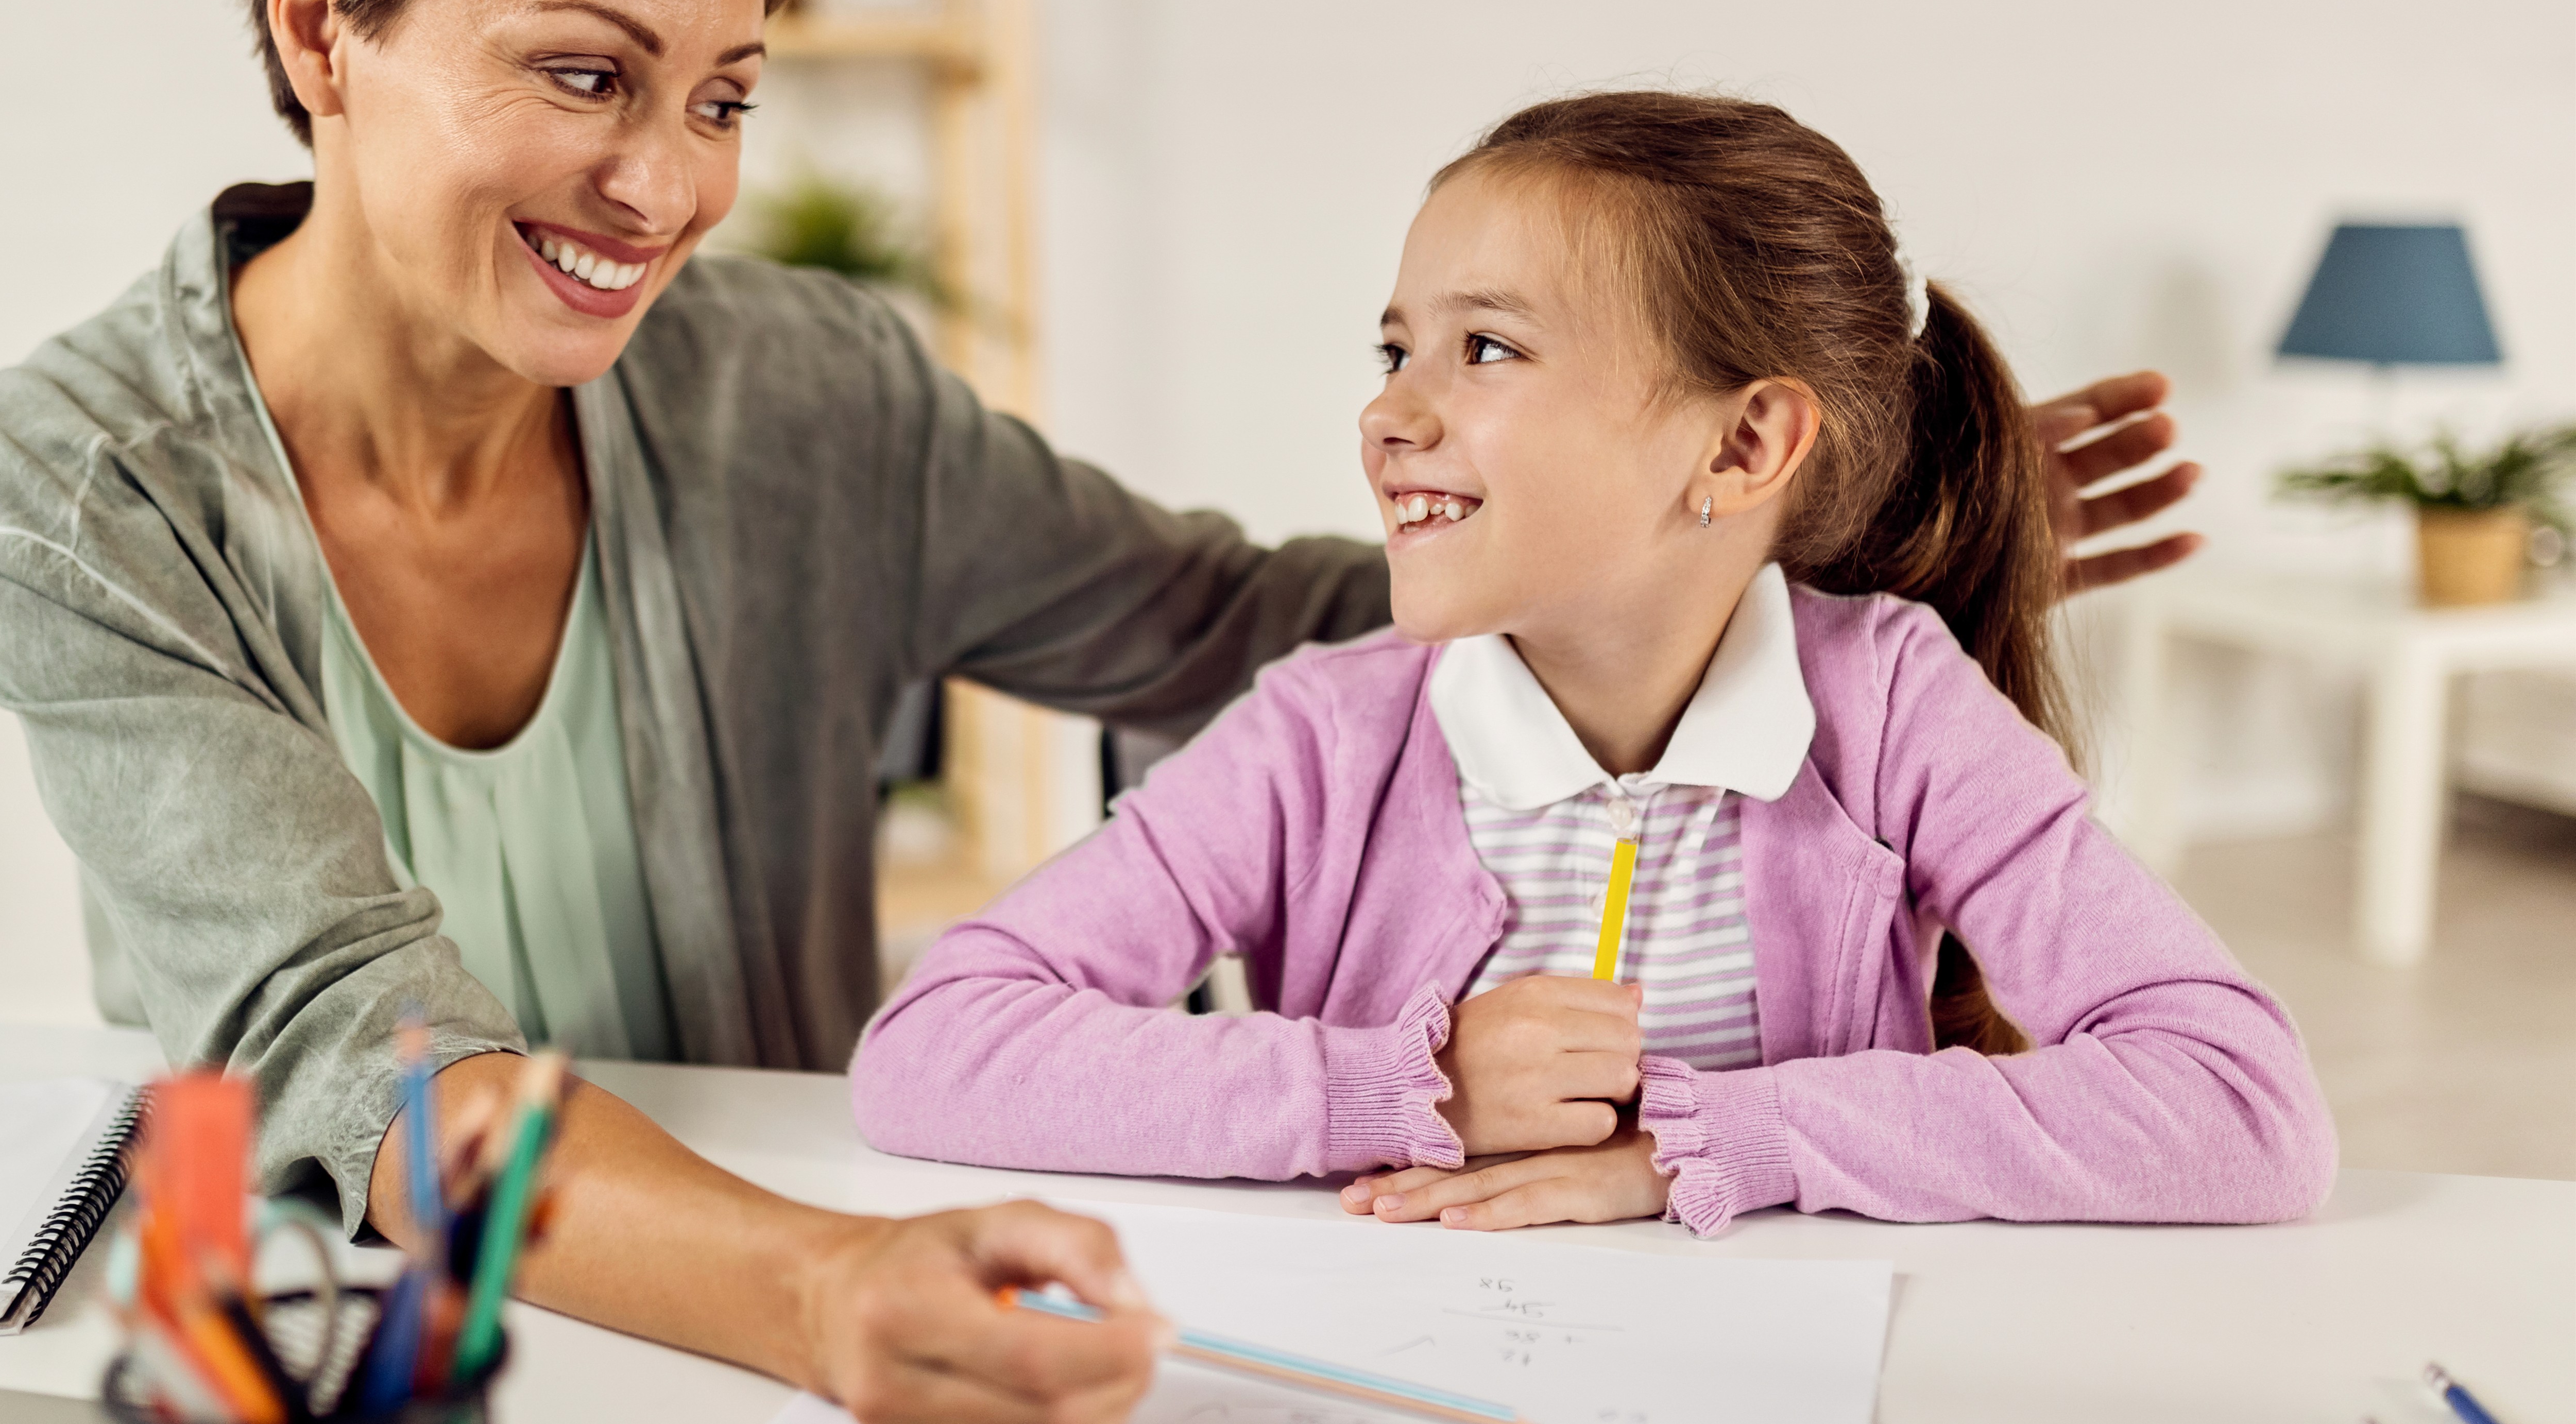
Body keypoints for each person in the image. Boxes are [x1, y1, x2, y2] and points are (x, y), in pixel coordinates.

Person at [0, 0, 2206, 1424]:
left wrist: (1772, 540)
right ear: (327, 37)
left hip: (800, 1265)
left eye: (724, 95)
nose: (667, 182)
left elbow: (1223, 624)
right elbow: (356, 1058)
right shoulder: (65, 490)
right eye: (587, 75)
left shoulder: (803, 395)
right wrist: (830, 1292)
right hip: (349, 1347)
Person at [849, 91, 2336, 1237]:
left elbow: (2242, 1110)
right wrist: (1407, 1089)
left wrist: (1711, 1146)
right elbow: (933, 1050)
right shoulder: (1320, 736)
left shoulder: (1894, 714)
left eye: (1485, 351)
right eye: (1395, 352)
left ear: (1744, 444)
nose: (1390, 416)